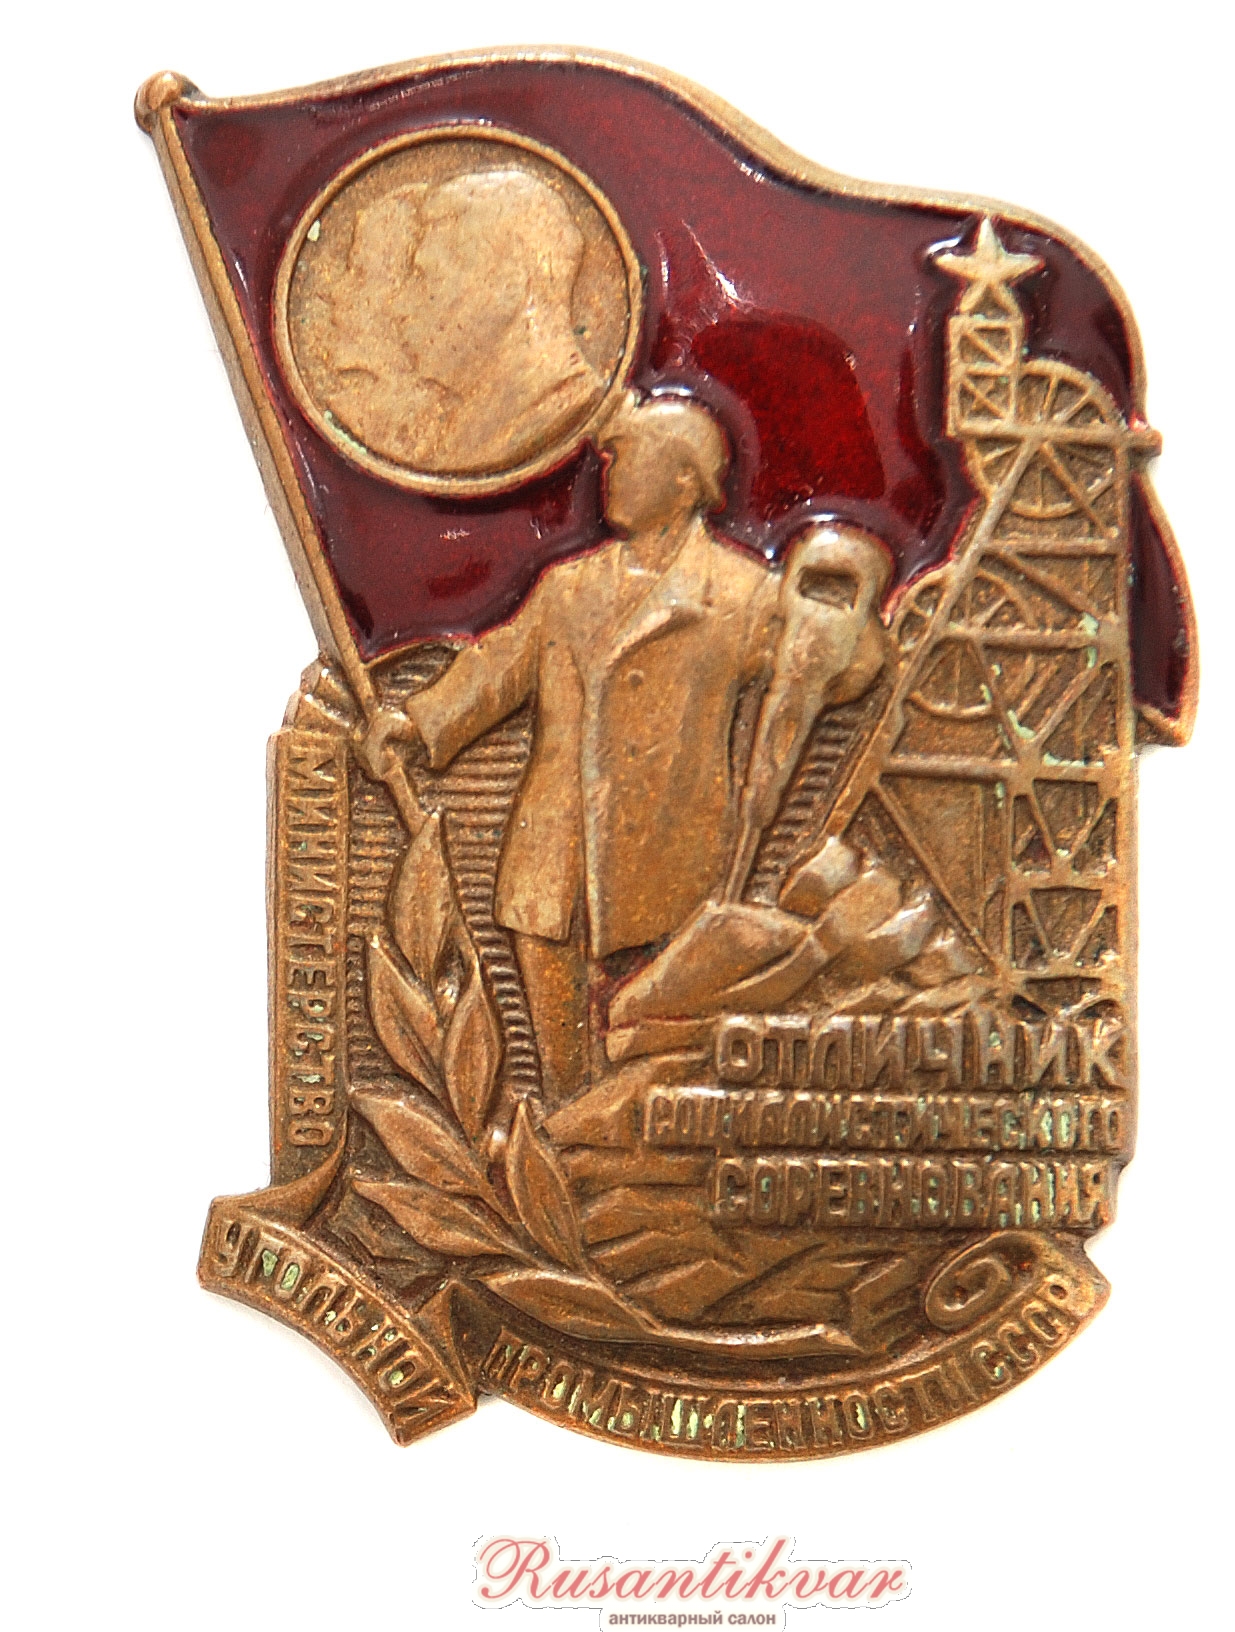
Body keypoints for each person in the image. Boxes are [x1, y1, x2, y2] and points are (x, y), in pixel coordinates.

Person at [361, 394, 890, 1098]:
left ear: (685, 479)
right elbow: (496, 670)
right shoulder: (568, 587)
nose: (609, 473)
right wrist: (418, 723)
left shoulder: (740, 595)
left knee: (652, 1065)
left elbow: (847, 670)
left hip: (668, 873)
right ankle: (562, 1147)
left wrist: (841, 602)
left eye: (629, 458)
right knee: (561, 1084)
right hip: (552, 867)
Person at [316, 166, 606, 474]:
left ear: (505, 284)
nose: (399, 308)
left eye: (424, 278)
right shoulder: (466, 434)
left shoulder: (551, 412)